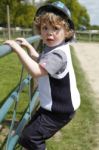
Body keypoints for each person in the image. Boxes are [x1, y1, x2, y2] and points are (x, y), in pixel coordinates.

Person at [5, 1, 80, 150]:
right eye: (45, 28)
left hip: (59, 111)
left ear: (67, 32)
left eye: (56, 29)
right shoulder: (54, 48)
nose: (49, 32)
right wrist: (27, 46)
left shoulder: (58, 55)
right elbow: (40, 60)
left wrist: (17, 49)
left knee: (29, 137)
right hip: (54, 107)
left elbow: (36, 71)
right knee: (29, 131)